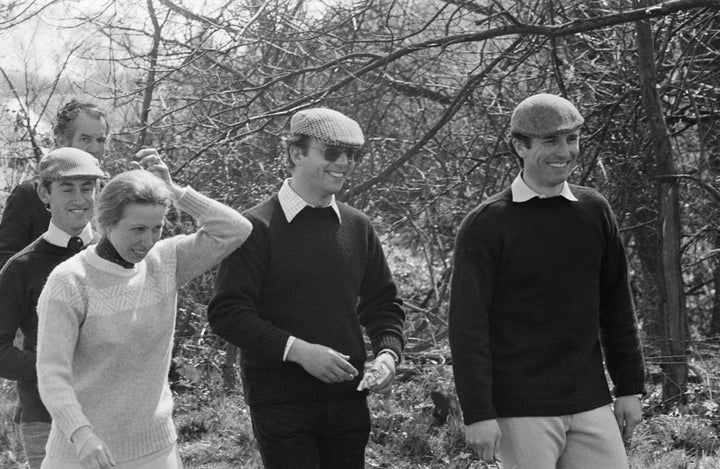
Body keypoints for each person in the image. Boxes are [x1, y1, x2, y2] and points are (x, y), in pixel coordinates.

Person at [448, 93, 646, 469]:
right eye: (550, 140)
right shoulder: (486, 224)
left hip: (591, 400)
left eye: (572, 139)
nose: (565, 151)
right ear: (519, 146)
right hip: (520, 409)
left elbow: (617, 305)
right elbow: (467, 328)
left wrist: (630, 387)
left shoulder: (594, 211)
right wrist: (478, 412)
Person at [207, 107, 405, 469]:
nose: (344, 163)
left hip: (349, 402)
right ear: (297, 153)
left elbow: (384, 304)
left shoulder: (357, 226)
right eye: (331, 152)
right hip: (281, 405)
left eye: (353, 154)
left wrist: (388, 355)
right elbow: (227, 313)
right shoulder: (255, 227)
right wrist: (298, 351)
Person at [35, 155, 252, 469]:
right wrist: (82, 436)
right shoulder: (70, 281)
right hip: (82, 454)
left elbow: (236, 229)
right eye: (137, 229)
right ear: (107, 222)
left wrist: (174, 190)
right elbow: (52, 374)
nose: (148, 241)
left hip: (155, 451)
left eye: (157, 228)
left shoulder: (166, 261)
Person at [0, 148, 105, 469]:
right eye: (66, 188)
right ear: (44, 192)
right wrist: (54, 370)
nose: (80, 198)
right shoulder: (21, 267)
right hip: (45, 420)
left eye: (87, 187)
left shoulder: (115, 254)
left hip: (112, 415)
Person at [0, 100, 109, 268]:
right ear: (61, 140)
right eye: (85, 139)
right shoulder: (30, 193)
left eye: (101, 140)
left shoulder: (110, 193)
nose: (95, 148)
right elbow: (5, 262)